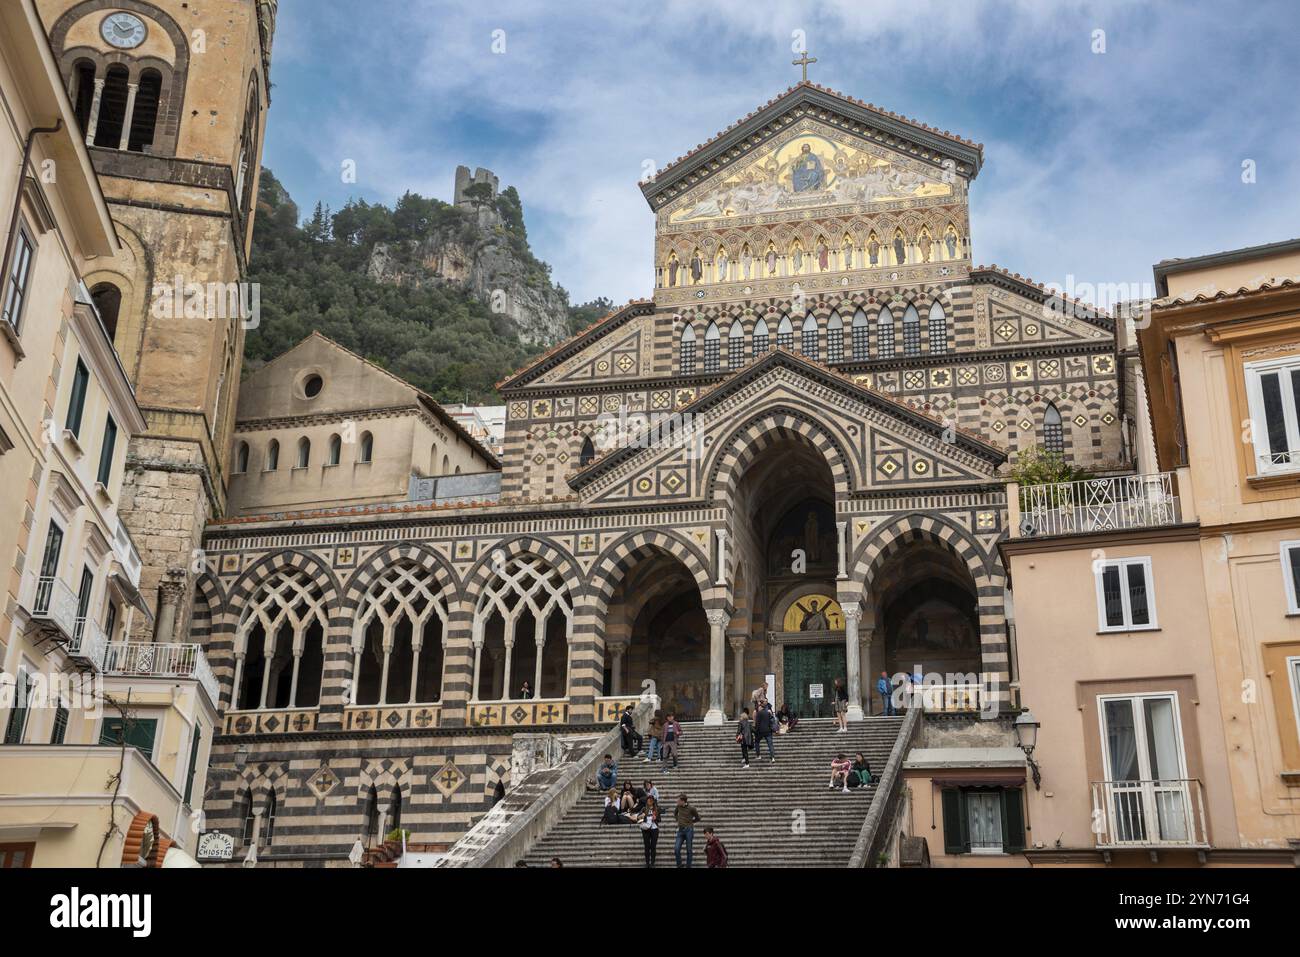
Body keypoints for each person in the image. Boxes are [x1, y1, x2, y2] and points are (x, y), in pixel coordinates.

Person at [673, 794, 701, 868]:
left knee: (689, 850)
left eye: (678, 800)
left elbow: (698, 818)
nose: (677, 802)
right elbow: (675, 813)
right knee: (676, 849)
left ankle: (688, 866)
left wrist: (691, 822)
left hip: (689, 830)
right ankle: (679, 865)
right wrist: (678, 819)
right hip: (680, 830)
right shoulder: (678, 806)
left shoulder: (692, 808)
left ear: (683, 801)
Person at [638, 795, 661, 867]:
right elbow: (638, 817)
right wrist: (642, 815)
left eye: (651, 800)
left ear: (653, 801)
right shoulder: (644, 809)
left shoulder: (656, 809)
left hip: (654, 829)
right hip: (646, 829)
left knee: (653, 846)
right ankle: (647, 863)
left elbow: (659, 820)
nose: (649, 801)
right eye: (648, 800)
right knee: (647, 846)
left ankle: (652, 863)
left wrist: (656, 818)